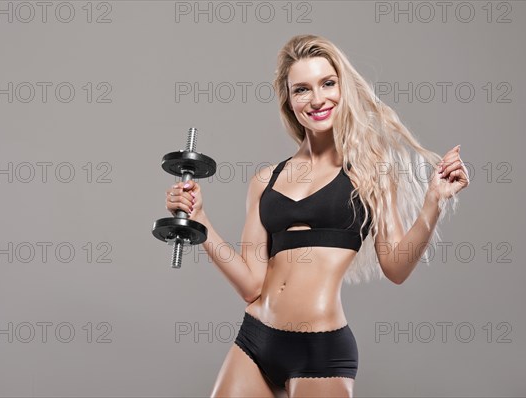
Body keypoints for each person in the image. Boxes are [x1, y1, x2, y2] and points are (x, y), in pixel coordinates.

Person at [165, 34, 469, 398]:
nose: (318, 99)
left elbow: (396, 268)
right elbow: (250, 284)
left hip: (320, 351)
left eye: (328, 83)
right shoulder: (266, 180)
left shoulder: (370, 173)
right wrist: (199, 221)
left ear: (344, 88)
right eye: (302, 90)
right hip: (255, 340)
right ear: (289, 101)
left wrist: (433, 201)